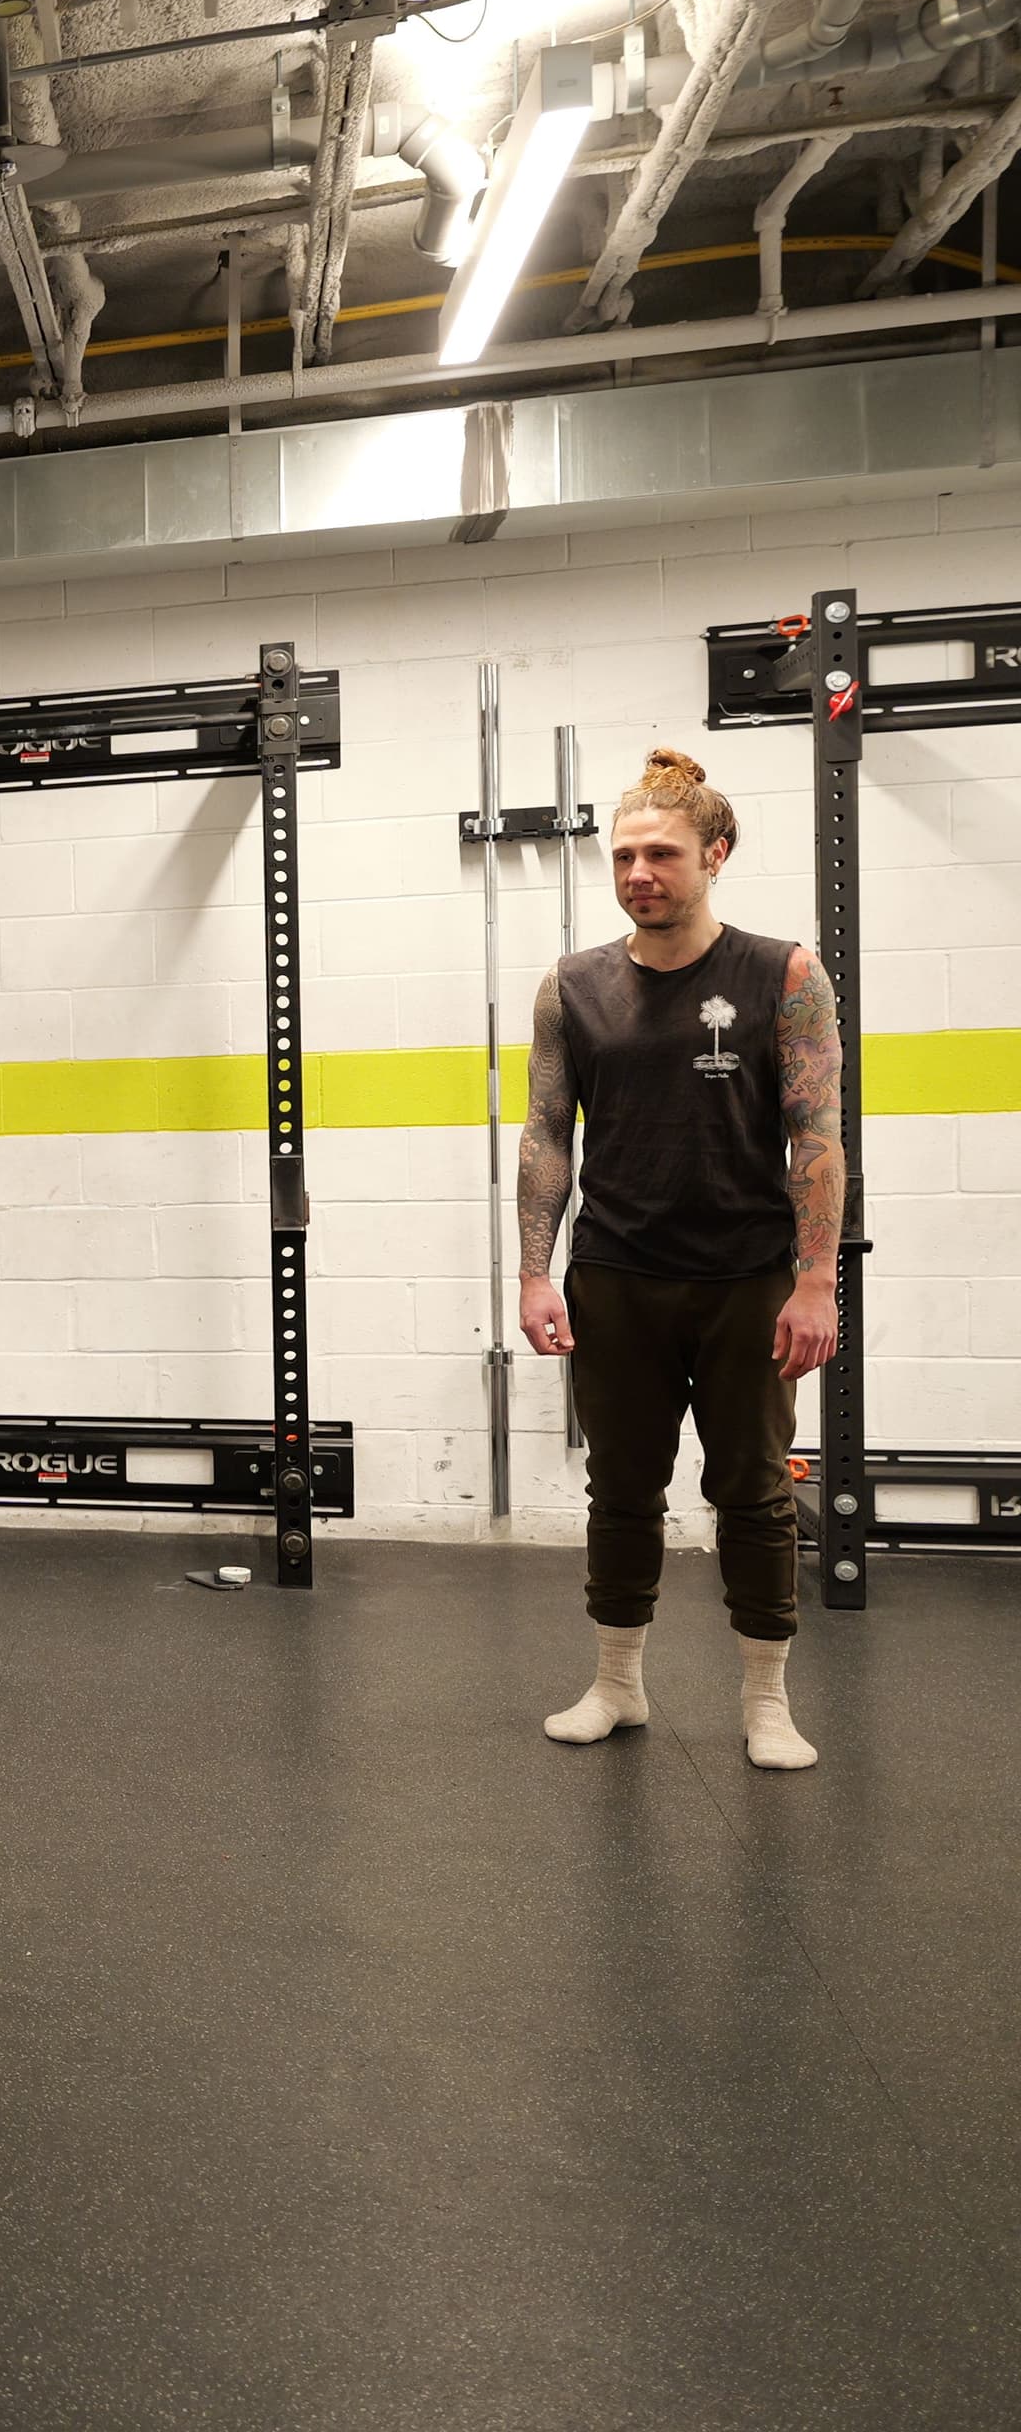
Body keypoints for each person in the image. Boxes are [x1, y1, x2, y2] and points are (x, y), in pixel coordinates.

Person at [517, 747, 840, 1770]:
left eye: (661, 854)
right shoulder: (572, 985)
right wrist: (533, 1272)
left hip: (748, 1279)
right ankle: (616, 1685)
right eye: (622, 856)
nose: (638, 873)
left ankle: (767, 1703)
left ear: (717, 853)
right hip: (615, 1275)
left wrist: (818, 1279)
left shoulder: (782, 971)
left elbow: (817, 1136)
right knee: (621, 1487)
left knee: (751, 1489)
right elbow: (544, 1137)